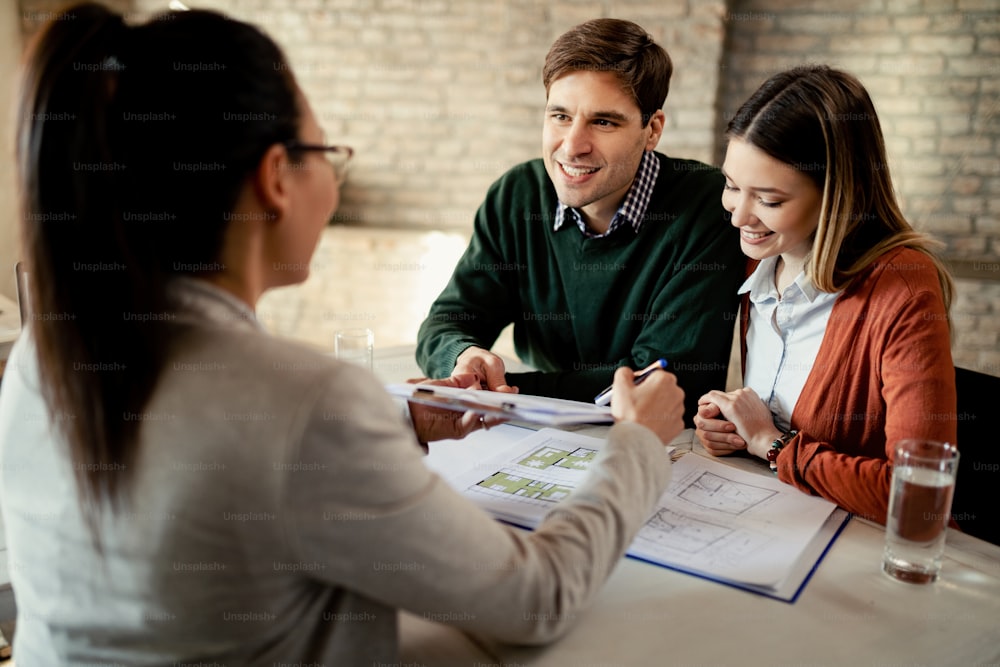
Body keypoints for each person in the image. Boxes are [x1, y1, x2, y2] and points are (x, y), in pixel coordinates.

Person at [0, 4, 689, 663]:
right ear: (276, 178)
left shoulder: (46, 350)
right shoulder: (308, 402)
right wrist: (634, 446)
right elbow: (538, 597)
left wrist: (403, 413)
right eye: (325, 149)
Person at [415, 18, 744, 423]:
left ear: (652, 129)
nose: (573, 146)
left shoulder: (709, 206)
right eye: (560, 116)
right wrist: (464, 359)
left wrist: (504, 395)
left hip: (655, 442)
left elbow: (666, 381)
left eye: (603, 122)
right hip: (529, 433)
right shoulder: (517, 195)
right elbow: (446, 322)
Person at [693, 65, 957, 524]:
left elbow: (919, 499)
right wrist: (736, 431)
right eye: (732, 186)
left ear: (837, 193)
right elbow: (779, 432)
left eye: (770, 201)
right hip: (774, 524)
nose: (739, 217)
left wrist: (771, 445)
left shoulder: (905, 286)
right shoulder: (761, 260)